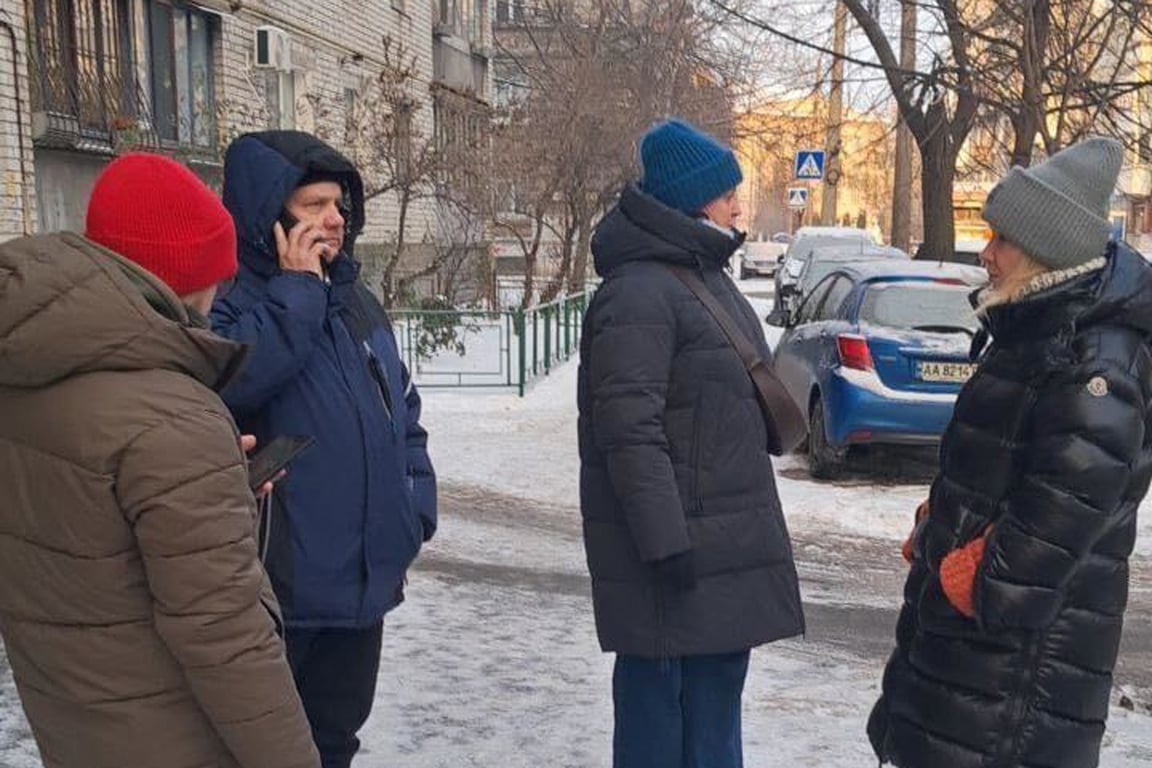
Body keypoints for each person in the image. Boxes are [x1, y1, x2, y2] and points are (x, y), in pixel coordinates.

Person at [0, 154, 319, 768]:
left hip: (75, 722)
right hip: (177, 736)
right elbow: (225, 636)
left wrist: (208, 487)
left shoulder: (25, 368)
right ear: (182, 278)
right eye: (217, 277)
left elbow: (86, 529)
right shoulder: (172, 417)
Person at [869, 137, 1152, 768]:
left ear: (1045, 252)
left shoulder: (1094, 363)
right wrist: (944, 525)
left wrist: (975, 576)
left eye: (1002, 240)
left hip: (1011, 685)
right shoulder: (1039, 331)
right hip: (973, 671)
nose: (986, 252)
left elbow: (1064, 511)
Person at [577, 118, 804, 768]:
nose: (738, 206)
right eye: (727, 193)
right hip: (676, 561)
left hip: (714, 548)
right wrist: (665, 544)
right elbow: (629, 430)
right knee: (663, 731)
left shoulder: (700, 276)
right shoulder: (640, 292)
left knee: (710, 726)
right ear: (689, 200)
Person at [211, 130, 437, 768]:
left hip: (360, 587)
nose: (334, 218)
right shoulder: (226, 303)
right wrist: (297, 291)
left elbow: (403, 411)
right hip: (281, 591)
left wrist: (414, 509)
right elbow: (232, 384)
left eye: (338, 204)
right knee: (266, 754)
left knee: (335, 745)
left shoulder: (356, 301)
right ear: (268, 216)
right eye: (313, 205)